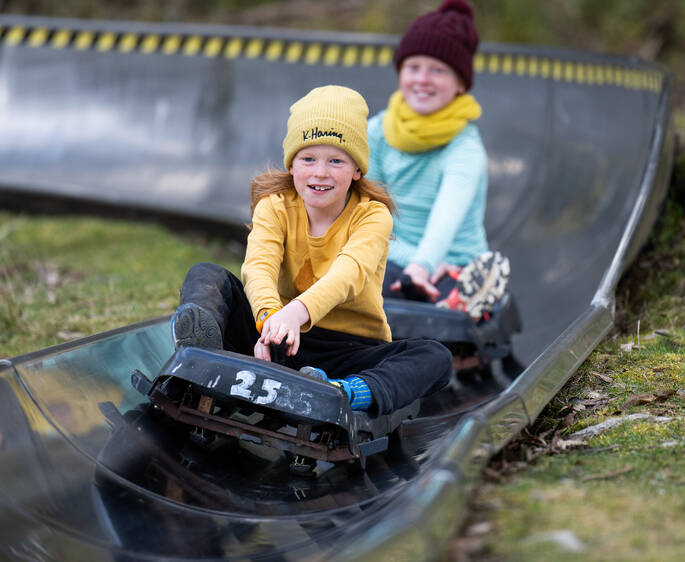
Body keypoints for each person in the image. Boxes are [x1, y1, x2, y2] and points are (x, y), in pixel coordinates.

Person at [171, 85, 451, 415]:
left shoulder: (373, 215)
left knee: (436, 356)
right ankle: (202, 359)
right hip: (274, 336)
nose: (320, 172)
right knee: (207, 275)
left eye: (336, 160)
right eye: (308, 159)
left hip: (346, 350)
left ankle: (340, 394)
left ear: (357, 170)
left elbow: (349, 274)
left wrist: (296, 313)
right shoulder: (274, 205)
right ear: (292, 165)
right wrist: (269, 318)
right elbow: (259, 266)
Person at [368, 0, 510, 320]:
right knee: (368, 276)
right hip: (397, 254)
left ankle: (468, 308)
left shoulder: (464, 149)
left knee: (444, 298)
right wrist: (412, 262)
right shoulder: (378, 131)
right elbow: (368, 209)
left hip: (453, 261)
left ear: (460, 83)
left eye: (438, 70)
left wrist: (424, 266)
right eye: (413, 67)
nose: (423, 79)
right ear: (400, 71)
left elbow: (445, 220)